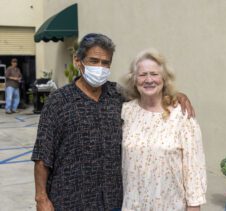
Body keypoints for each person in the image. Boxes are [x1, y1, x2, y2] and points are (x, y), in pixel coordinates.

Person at [31, 33, 195, 211]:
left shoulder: (118, 95)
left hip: (113, 201)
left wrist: (175, 95)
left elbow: (149, 94)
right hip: (70, 199)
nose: (100, 67)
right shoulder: (59, 101)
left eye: (105, 63)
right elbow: (43, 155)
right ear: (78, 61)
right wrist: (41, 198)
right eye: (94, 61)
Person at [121, 49, 207, 211]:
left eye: (154, 74)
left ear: (164, 79)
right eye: (142, 74)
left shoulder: (182, 116)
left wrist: (194, 207)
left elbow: (194, 172)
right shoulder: (125, 112)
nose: (148, 79)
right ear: (134, 79)